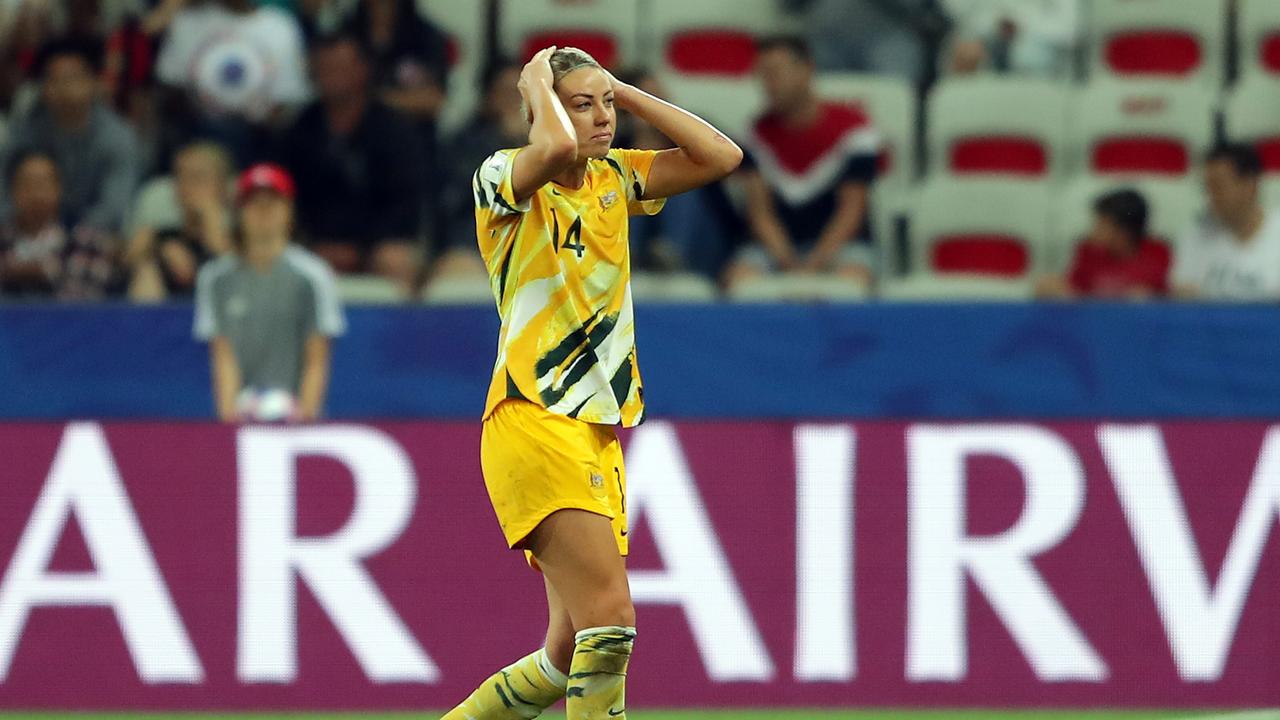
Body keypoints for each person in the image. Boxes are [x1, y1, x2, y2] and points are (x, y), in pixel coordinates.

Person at [441, 46, 742, 719]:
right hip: (534, 415)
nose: (602, 119)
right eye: (585, 105)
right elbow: (549, 148)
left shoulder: (614, 179)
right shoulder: (504, 180)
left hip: (593, 426)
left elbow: (721, 157)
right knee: (611, 620)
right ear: (541, 109)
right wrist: (533, 83)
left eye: (605, 105)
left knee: (566, 650)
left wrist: (623, 93)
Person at [725, 35, 881, 291]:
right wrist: (788, 263)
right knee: (739, 279)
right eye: (762, 75)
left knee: (855, 278)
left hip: (841, 246)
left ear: (806, 70)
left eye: (776, 73)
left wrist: (814, 265)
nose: (769, 84)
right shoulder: (756, 135)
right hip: (776, 250)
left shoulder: (853, 130)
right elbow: (760, 212)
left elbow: (851, 210)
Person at [194, 163, 346, 423]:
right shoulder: (215, 278)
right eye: (254, 204)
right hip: (242, 413)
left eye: (272, 203)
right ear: (240, 212)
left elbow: (317, 358)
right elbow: (223, 357)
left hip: (296, 414)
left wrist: (304, 417)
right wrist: (229, 423)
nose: (263, 212)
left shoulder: (313, 276)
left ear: (289, 211)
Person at [278, 32, 425, 291]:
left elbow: (405, 205)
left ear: (362, 70)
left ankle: (399, 330)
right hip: (314, 244)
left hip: (376, 245)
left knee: (396, 259)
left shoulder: (394, 130)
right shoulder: (299, 131)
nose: (331, 76)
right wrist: (314, 243)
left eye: (340, 67)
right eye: (324, 68)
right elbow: (288, 198)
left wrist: (360, 248)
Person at [0, 35, 141, 232]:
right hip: (27, 235)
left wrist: (69, 237)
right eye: (53, 79)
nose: (62, 87)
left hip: (89, 239)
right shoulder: (25, 130)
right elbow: (4, 190)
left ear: (93, 82)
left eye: (71, 78)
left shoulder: (117, 136)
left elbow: (114, 206)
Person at [154, 0, 309, 164]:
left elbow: (288, 101)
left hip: (259, 139)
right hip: (198, 134)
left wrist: (254, 119)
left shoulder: (280, 27)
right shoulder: (187, 22)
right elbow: (170, 88)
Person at [434, 58, 527, 279]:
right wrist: (510, 143)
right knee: (455, 269)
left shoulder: (563, 141)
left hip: (549, 241)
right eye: (507, 93)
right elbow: (466, 201)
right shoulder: (464, 144)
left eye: (523, 92)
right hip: (480, 243)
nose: (517, 102)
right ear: (489, 98)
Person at [0, 149, 119, 299]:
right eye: (27, 184)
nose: (36, 194)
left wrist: (43, 271)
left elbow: (88, 299)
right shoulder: (3, 238)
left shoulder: (86, 241)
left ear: (59, 188)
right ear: (12, 190)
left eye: (43, 184)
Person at [126, 141, 235, 300]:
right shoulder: (162, 233)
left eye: (198, 176)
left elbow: (240, 270)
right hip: (169, 318)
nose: (186, 185)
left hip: (227, 314)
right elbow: (129, 259)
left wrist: (211, 218)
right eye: (180, 176)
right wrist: (159, 249)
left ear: (223, 185)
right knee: (146, 270)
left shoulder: (241, 232)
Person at [1172, 143, 1280, 301]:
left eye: (1218, 187)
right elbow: (1182, 295)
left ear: (1250, 184)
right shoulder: (1195, 237)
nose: (1210, 196)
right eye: (1207, 188)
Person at [1036, 189, 1171, 300]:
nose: (1094, 229)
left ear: (1123, 231)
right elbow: (1073, 289)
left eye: (1101, 224)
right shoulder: (1087, 250)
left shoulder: (1156, 251)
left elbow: (1164, 296)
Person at [942, 0, 1081, 78]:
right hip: (984, 52)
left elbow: (1072, 29)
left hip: (1042, 67)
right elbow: (958, 12)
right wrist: (995, 24)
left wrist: (1019, 24)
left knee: (1031, 55)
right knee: (965, 51)